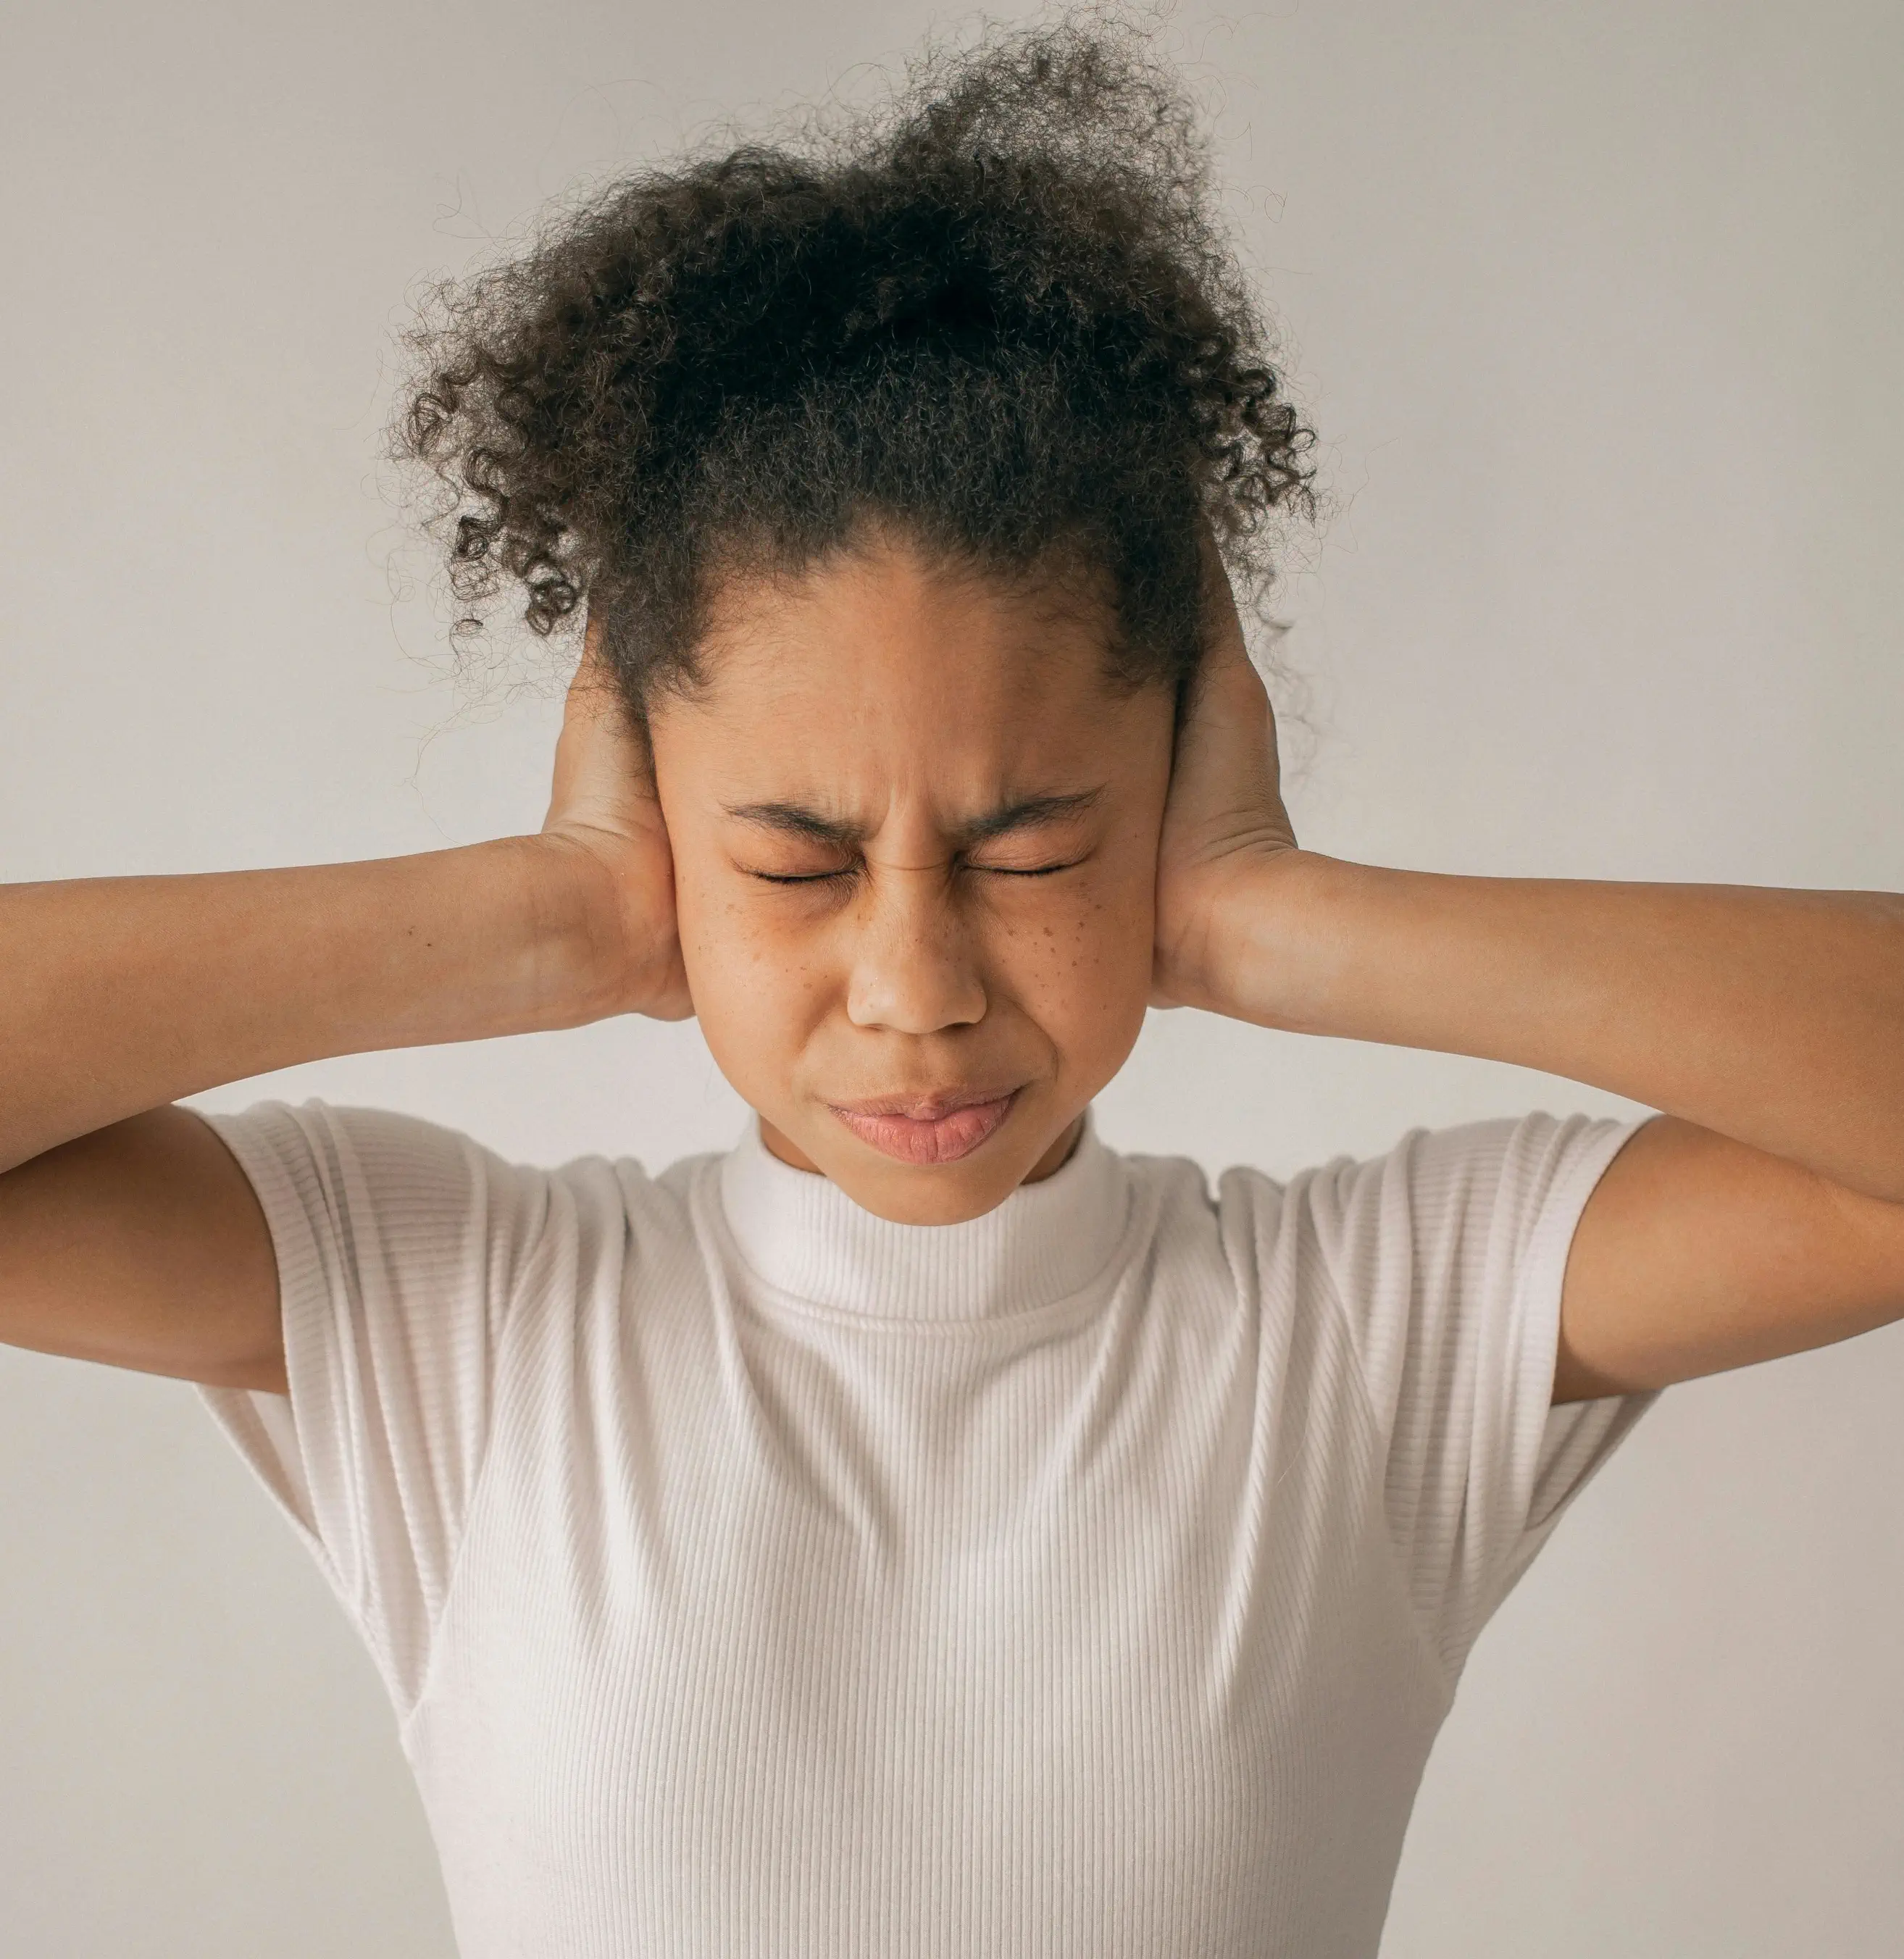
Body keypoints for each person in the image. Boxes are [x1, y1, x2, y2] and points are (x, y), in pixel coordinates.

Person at [3, 18, 1900, 1959]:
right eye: (792, 861)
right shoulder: (457, 1320)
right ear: (657, 807)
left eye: (1029, 851)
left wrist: (1271, 918)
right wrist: (553, 911)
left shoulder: (1367, 1332)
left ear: (1174, 781)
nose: (914, 985)